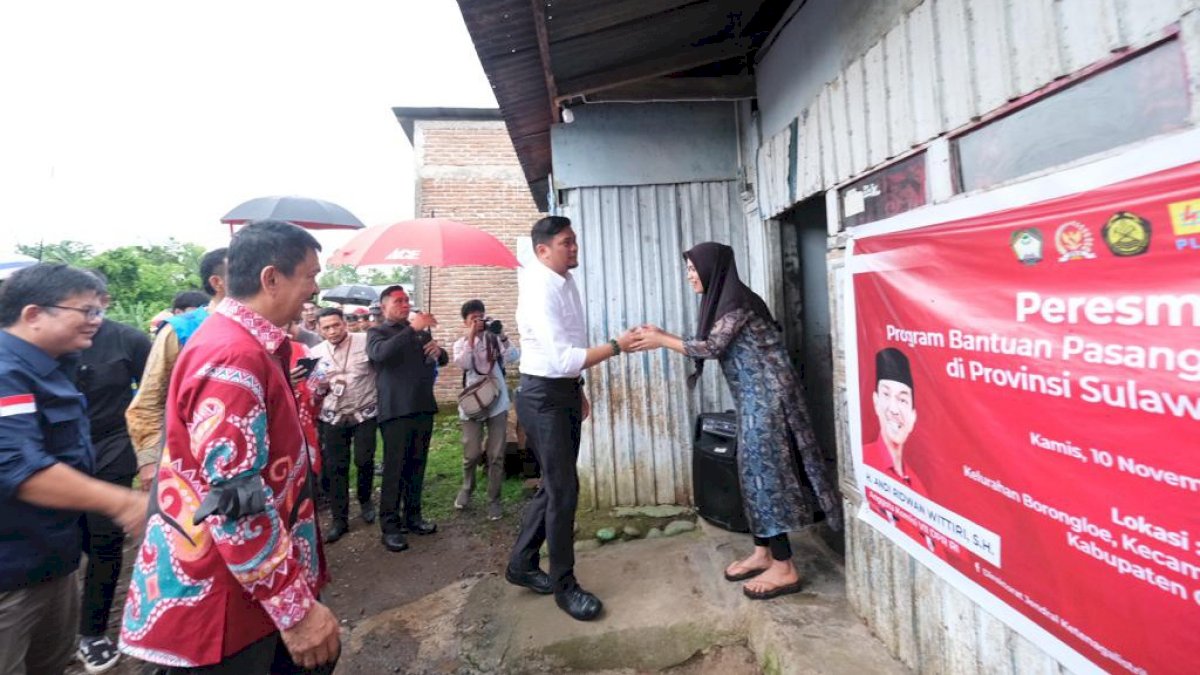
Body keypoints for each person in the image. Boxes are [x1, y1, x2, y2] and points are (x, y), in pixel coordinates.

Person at [119, 221, 339, 673]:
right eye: (311, 276)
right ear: (271, 278)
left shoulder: (246, 344)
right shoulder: (232, 356)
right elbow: (236, 504)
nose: (314, 291)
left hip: (244, 591)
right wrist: (295, 609)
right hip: (228, 603)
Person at [631, 242, 842, 601]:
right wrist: (662, 333)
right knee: (750, 475)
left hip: (770, 402)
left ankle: (785, 566)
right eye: (688, 271)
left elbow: (711, 348)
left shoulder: (737, 306)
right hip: (754, 402)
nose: (689, 277)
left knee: (765, 479)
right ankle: (763, 552)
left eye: (693, 270)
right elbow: (709, 341)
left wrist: (662, 339)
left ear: (713, 270)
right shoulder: (726, 303)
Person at [0, 263, 148, 675]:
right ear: (33, 315)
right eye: (86, 311)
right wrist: (124, 502)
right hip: (9, 575)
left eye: (99, 310)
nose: (97, 321)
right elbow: (18, 468)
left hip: (52, 562)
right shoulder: (5, 373)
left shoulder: (53, 363)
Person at [506, 216, 637, 622]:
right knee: (564, 491)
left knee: (554, 486)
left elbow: (567, 353)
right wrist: (618, 346)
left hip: (561, 390)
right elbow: (561, 357)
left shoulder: (563, 280)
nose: (574, 248)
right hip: (542, 397)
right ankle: (565, 587)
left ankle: (522, 563)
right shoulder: (539, 289)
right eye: (567, 243)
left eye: (575, 241)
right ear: (542, 250)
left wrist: (577, 387)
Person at [74, 272, 152, 673]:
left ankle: (93, 631)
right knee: (70, 541)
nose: (87, 315)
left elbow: (156, 392)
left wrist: (151, 453)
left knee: (105, 541)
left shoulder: (128, 340)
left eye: (94, 303)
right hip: (59, 455)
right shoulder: (35, 346)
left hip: (111, 448)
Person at [126, 247, 227, 490]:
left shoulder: (265, 327)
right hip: (187, 457)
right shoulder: (181, 330)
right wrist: (150, 462)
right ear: (217, 282)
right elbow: (149, 400)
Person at [367, 285, 447, 552]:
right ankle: (390, 526)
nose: (404, 305)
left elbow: (442, 359)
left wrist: (437, 350)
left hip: (422, 406)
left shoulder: (419, 332)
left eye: (406, 300)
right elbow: (380, 355)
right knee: (395, 469)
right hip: (396, 410)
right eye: (398, 301)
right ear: (384, 305)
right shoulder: (377, 332)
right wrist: (412, 329)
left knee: (417, 466)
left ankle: (413, 516)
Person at [310, 307, 378, 543]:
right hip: (333, 416)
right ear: (319, 329)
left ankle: (366, 500)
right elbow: (314, 390)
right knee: (336, 468)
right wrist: (320, 386)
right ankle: (340, 519)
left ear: (344, 324)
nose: (332, 331)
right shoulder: (315, 352)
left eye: (336, 325)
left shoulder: (365, 341)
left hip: (364, 412)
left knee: (364, 459)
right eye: (326, 327)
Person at [452, 300, 519, 521]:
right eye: (473, 319)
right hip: (472, 405)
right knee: (471, 454)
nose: (479, 322)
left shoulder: (493, 341)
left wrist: (501, 335)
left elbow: (513, 356)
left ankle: (494, 500)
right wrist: (472, 337)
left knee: (496, 454)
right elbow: (463, 363)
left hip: (497, 403)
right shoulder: (460, 344)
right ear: (465, 322)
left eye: (481, 317)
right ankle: (466, 488)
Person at [862, 347, 924, 494]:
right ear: (875, 402)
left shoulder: (918, 488)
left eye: (902, 400)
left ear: (913, 416)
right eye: (886, 394)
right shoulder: (863, 460)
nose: (894, 409)